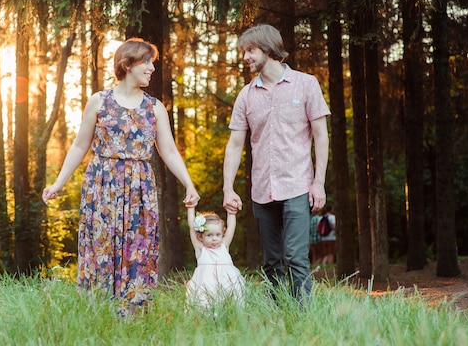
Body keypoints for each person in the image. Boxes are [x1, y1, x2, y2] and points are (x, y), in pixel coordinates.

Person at [42, 38, 200, 317]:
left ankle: (133, 316)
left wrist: (189, 183)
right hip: (102, 185)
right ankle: (98, 313)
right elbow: (80, 145)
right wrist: (58, 183)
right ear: (127, 64)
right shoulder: (99, 101)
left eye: (153, 63)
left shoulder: (154, 108)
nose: (152, 68)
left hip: (140, 186)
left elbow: (170, 151)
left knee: (138, 248)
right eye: (147, 62)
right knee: (101, 245)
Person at [222, 24, 330, 303]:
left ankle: (302, 319)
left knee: (295, 256)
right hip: (262, 189)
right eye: (244, 51)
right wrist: (228, 188)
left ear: (269, 49)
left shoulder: (306, 84)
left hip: (297, 185)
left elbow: (321, 136)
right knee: (271, 261)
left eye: (250, 50)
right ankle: (277, 316)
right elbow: (234, 145)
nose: (245, 56)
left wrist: (319, 183)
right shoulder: (246, 95)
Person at [186, 209, 245, 308]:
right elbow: (192, 227)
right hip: (206, 287)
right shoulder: (200, 249)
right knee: (205, 305)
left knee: (230, 304)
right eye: (209, 235)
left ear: (222, 234)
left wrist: (231, 212)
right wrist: (191, 208)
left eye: (218, 235)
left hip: (227, 284)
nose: (214, 238)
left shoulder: (224, 246)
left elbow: (231, 227)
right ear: (201, 237)